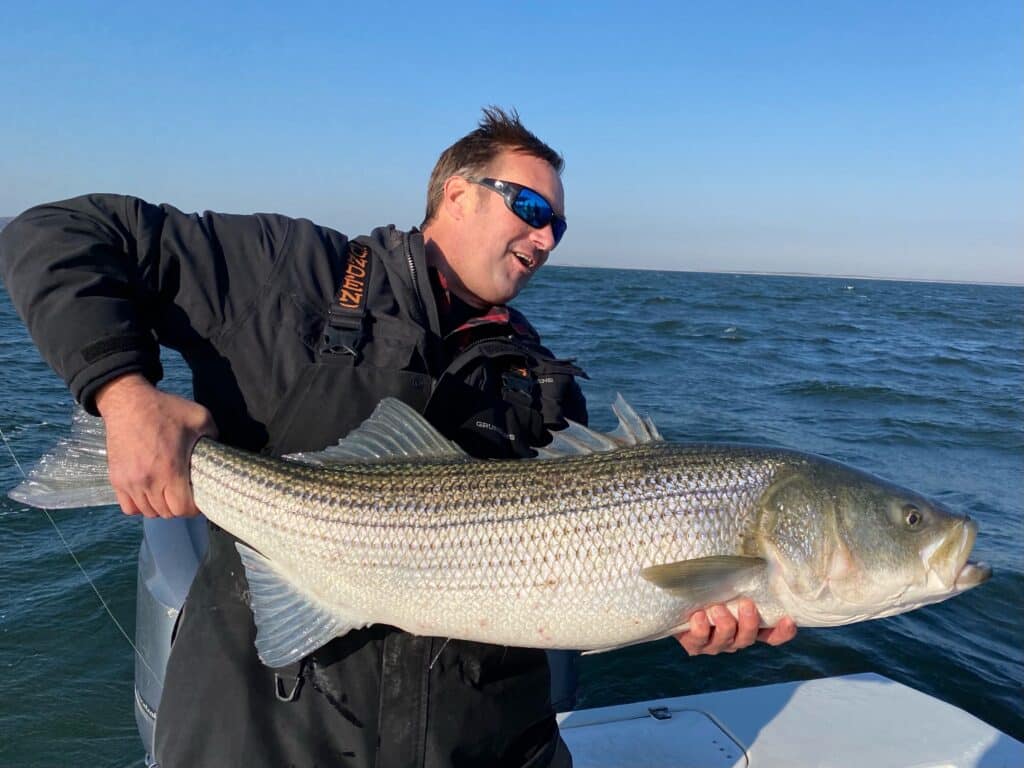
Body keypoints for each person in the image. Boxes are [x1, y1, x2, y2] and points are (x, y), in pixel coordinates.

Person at [0, 108, 796, 767]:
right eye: (530, 208)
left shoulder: (545, 383)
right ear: (455, 195)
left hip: (484, 746)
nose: (547, 237)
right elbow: (57, 233)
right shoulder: (293, 273)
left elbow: (577, 589)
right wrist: (123, 395)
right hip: (273, 735)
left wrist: (690, 617)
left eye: (559, 223)